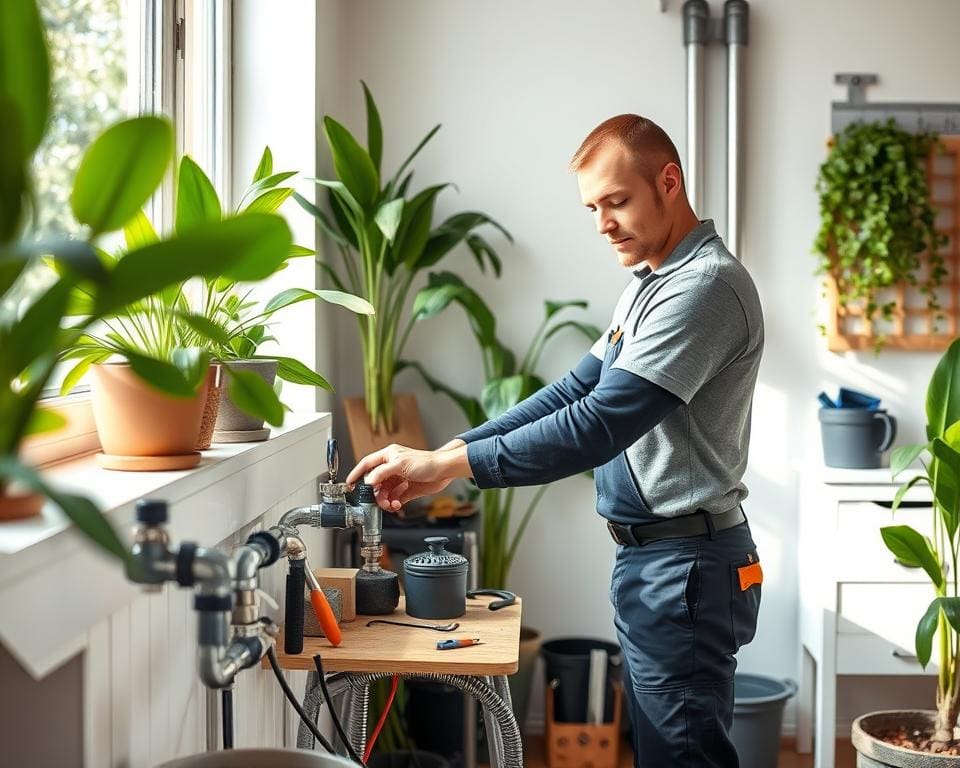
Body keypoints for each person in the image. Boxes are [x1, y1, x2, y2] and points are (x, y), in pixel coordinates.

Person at [346, 114, 764, 767]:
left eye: (617, 201)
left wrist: (449, 466)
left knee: (683, 757)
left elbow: (598, 424)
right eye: (593, 207)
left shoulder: (704, 287)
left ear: (669, 182)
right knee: (662, 751)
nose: (603, 223)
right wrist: (443, 457)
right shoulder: (650, 285)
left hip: (687, 567)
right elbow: (571, 392)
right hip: (657, 564)